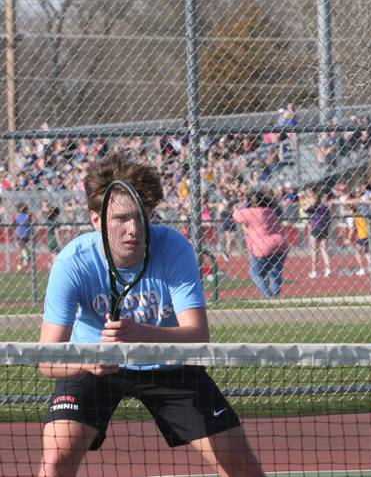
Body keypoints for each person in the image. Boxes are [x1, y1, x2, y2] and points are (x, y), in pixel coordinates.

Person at [37, 153, 262, 476]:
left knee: (241, 465)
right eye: (121, 219)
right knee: (55, 460)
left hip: (166, 361)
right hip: (94, 366)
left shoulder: (174, 249)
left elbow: (198, 337)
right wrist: (87, 361)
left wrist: (142, 334)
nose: (133, 229)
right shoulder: (72, 263)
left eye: (142, 216)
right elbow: (47, 359)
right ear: (94, 220)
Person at [233, 189, 290, 298]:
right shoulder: (269, 211)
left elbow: (236, 216)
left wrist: (237, 207)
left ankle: (268, 295)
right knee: (275, 272)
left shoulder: (251, 212)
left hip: (261, 246)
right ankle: (276, 295)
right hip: (279, 243)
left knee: (256, 274)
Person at [304, 188, 333, 278]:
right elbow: (329, 215)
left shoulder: (314, 203)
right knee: (323, 249)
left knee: (314, 250)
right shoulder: (324, 205)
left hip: (316, 227)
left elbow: (306, 209)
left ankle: (314, 271)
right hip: (324, 227)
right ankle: (328, 269)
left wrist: (308, 202)